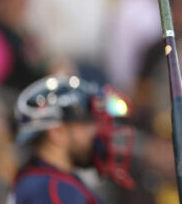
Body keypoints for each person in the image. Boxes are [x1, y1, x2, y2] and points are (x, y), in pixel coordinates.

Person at [8, 75, 135, 204]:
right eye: (86, 124)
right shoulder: (54, 189)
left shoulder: (41, 181)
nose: (94, 132)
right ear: (57, 132)